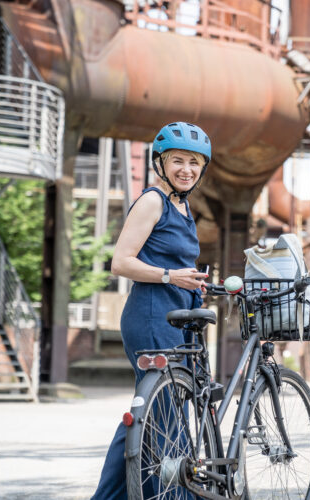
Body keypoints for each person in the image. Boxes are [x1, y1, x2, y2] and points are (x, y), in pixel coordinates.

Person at [92, 121, 211, 499]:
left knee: (144, 418)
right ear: (161, 162)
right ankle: (178, 495)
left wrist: (194, 282)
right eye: (178, 161)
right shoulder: (153, 201)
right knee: (166, 417)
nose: (186, 170)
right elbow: (120, 262)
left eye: (194, 163)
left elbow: (174, 263)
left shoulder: (183, 204)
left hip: (176, 319)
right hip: (150, 316)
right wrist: (170, 276)